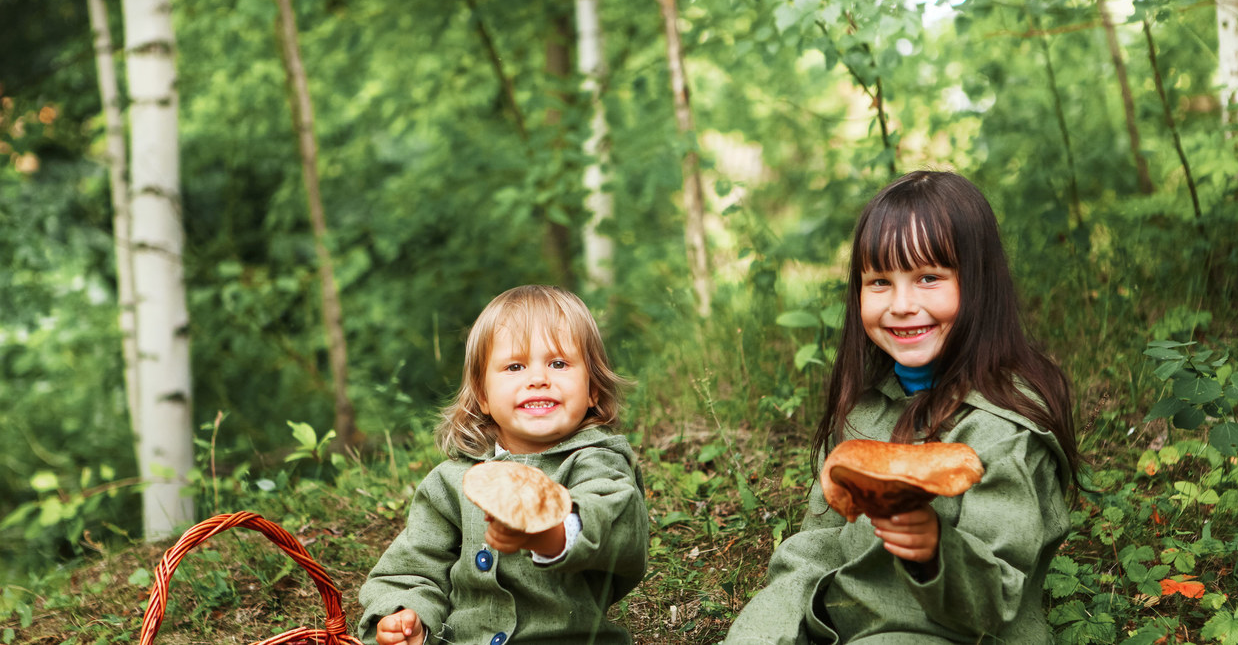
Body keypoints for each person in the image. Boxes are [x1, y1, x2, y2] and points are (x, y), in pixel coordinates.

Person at [724, 171, 1082, 644]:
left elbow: (994, 601)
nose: (902, 304)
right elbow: (823, 536)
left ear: (979, 283)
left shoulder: (1002, 430)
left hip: (953, 632)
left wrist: (936, 548)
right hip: (848, 613)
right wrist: (782, 608)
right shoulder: (864, 411)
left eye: (929, 277)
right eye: (880, 282)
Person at [359, 285, 648, 645]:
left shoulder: (596, 460)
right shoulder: (452, 481)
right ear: (482, 394)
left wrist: (552, 532)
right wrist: (405, 615)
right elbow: (414, 565)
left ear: (592, 387)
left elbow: (618, 522)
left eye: (559, 363)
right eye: (515, 366)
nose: (538, 378)